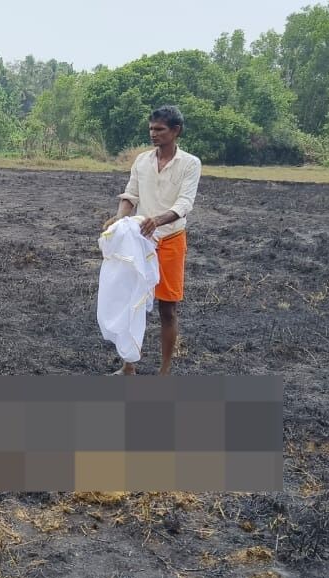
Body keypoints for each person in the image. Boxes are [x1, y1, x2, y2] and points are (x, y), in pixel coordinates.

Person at [102, 105, 200, 376]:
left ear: (176, 131)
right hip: (140, 241)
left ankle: (164, 371)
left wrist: (156, 220)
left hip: (169, 241)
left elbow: (185, 203)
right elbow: (130, 195)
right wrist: (119, 219)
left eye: (160, 129)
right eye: (151, 129)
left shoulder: (190, 164)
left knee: (167, 310)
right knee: (131, 303)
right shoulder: (142, 161)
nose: (153, 134)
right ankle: (128, 367)